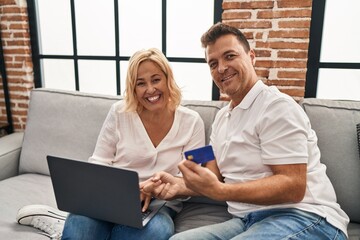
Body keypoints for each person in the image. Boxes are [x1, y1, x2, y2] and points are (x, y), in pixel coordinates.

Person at [142, 23, 349, 240]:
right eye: (213, 63)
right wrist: (179, 185)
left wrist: (221, 192)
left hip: (306, 217)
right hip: (246, 220)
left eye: (229, 56)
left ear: (251, 56)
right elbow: (212, 173)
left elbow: (294, 186)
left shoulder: (277, 107)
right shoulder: (222, 118)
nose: (221, 68)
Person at [17, 48, 206, 240]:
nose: (150, 89)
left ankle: (60, 227)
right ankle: (65, 226)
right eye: (141, 83)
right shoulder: (119, 113)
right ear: (133, 88)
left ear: (168, 79)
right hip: (111, 199)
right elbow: (99, 162)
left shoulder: (193, 122)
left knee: (157, 231)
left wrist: (158, 188)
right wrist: (131, 190)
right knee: (80, 228)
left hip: (159, 205)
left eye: (156, 79)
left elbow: (194, 178)